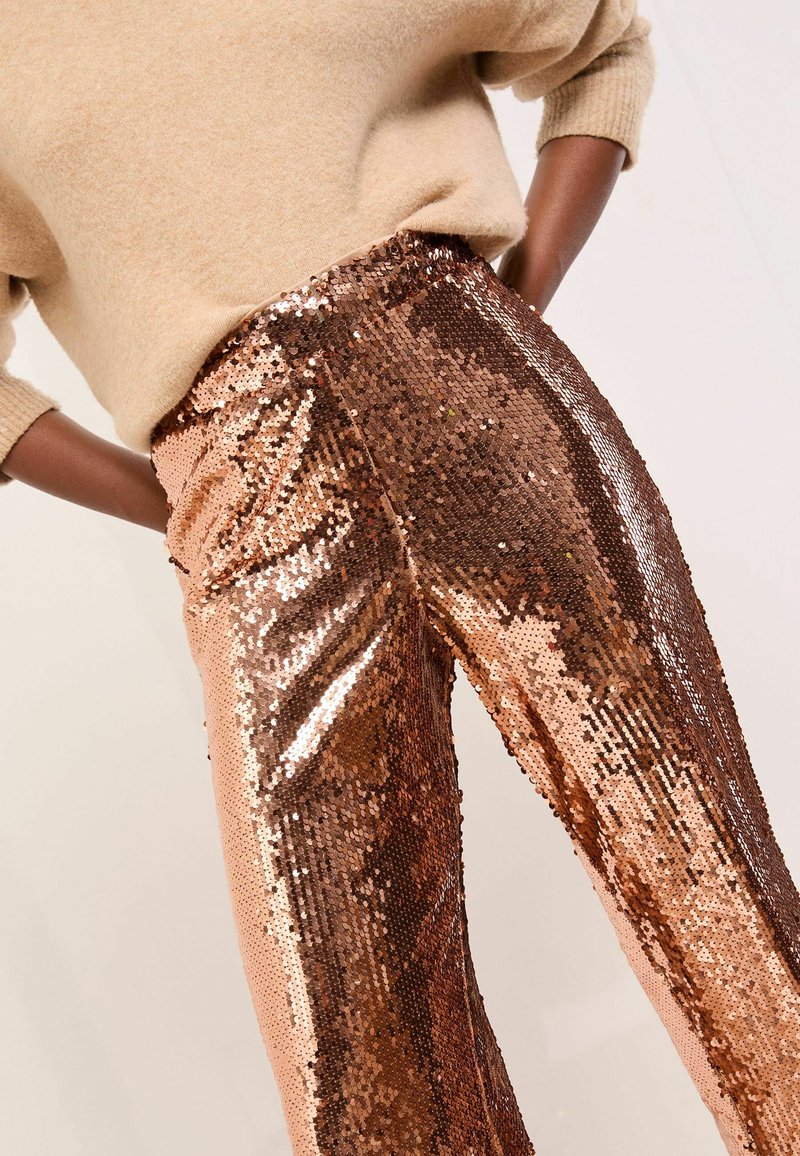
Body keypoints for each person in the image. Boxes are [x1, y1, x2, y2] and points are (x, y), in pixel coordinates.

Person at [1, 4, 798, 1153]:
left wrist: (508, 312)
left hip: (486, 400)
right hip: (243, 498)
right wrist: (183, 501)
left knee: (706, 878)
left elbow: (600, 47)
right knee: (347, 1030)